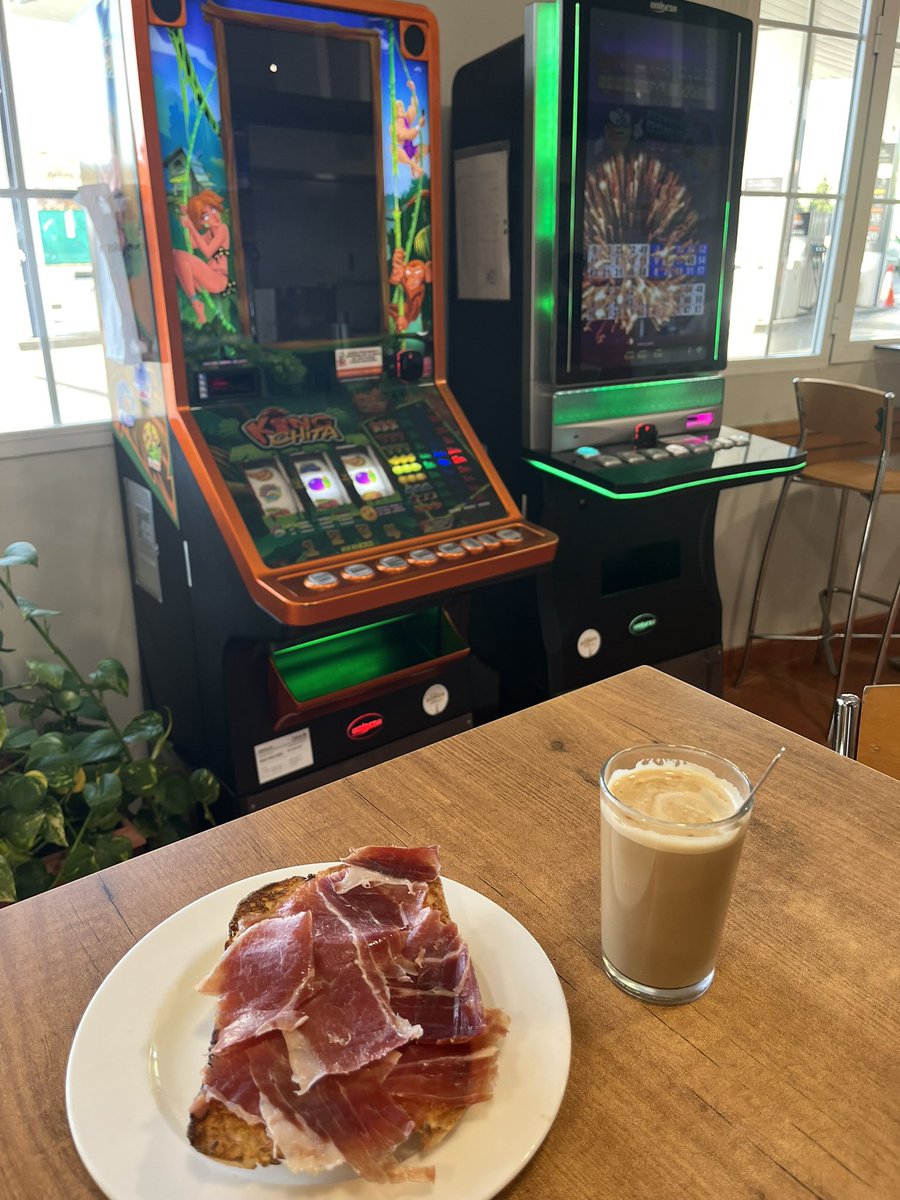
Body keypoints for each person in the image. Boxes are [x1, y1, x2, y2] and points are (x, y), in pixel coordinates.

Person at [173, 189, 235, 324]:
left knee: (181, 257)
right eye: (206, 217)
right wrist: (186, 221)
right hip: (205, 279)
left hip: (217, 279)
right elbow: (191, 242)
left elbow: (207, 251)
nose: (214, 217)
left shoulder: (222, 229)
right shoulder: (209, 234)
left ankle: (196, 304)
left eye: (213, 210)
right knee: (175, 255)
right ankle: (195, 302)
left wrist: (190, 224)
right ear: (202, 223)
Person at [394, 80, 426, 178]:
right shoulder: (395, 125)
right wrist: (418, 126)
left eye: (402, 106)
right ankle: (414, 166)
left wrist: (413, 91)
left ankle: (414, 163)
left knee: (426, 148)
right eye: (399, 107)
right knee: (393, 148)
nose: (402, 109)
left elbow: (413, 108)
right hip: (403, 152)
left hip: (412, 149)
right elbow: (407, 135)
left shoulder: (405, 118)